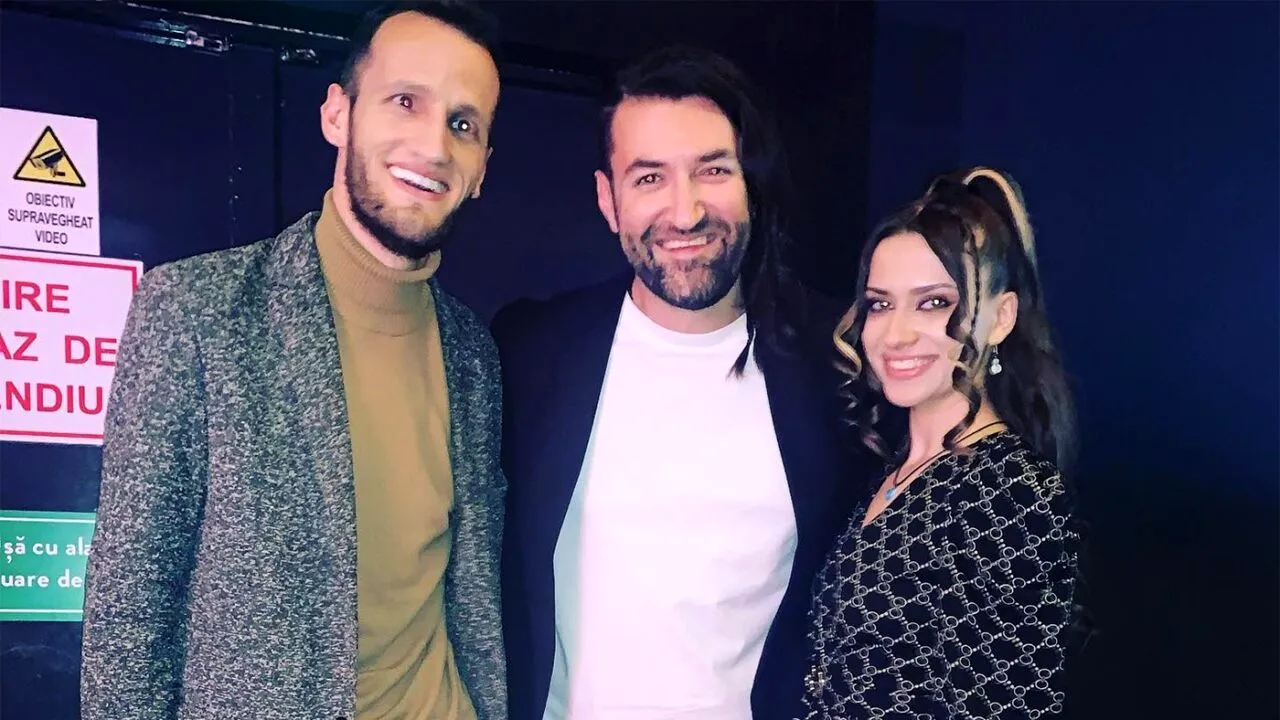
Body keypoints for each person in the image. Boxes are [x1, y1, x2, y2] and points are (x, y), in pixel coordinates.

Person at [79, 2, 509, 718]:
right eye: (406, 101)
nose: (434, 145)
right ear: (338, 115)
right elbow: (129, 613)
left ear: (481, 169)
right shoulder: (195, 311)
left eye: (463, 125)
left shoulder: (473, 355)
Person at [492, 46, 875, 720]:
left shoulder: (836, 361)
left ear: (750, 183)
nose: (686, 211)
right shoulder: (532, 352)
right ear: (608, 200)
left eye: (713, 170)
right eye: (649, 178)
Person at [800, 167, 1085, 718]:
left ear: (1002, 318)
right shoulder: (891, 472)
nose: (897, 333)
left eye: (933, 303)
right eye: (881, 303)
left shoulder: (1014, 496)